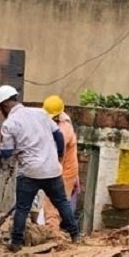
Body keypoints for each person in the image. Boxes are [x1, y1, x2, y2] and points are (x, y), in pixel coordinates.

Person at [0, 85, 80, 251]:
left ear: (4, 105)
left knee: (22, 208)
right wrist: (59, 155)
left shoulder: (9, 124)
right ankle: (75, 235)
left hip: (30, 173)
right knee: (62, 203)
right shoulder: (40, 113)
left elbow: (6, 153)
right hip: (52, 170)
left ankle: (16, 243)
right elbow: (58, 136)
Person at [42, 94, 81, 228]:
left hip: (65, 170)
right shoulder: (60, 119)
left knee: (52, 203)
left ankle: (52, 231)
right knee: (58, 202)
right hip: (62, 168)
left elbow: (57, 155)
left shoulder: (64, 130)